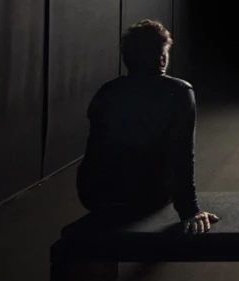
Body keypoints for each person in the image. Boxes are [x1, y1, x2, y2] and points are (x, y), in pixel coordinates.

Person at [75, 19, 219, 235]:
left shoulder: (107, 90)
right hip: (145, 198)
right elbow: (181, 155)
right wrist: (190, 210)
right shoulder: (179, 91)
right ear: (162, 58)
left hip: (93, 196)